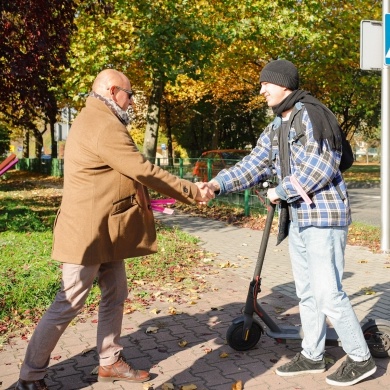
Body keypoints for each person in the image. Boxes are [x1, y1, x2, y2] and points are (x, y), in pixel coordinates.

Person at [15, 69, 215, 390]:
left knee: (116, 292)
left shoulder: (97, 118)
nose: (133, 101)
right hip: (87, 234)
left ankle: (109, 362)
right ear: (112, 91)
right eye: (129, 94)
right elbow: (143, 170)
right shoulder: (104, 125)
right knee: (69, 301)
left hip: (106, 230)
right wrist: (193, 191)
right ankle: (29, 376)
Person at [206, 59, 377, 387]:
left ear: (283, 83)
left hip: (324, 218)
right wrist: (217, 185)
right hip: (298, 217)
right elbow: (254, 163)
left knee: (329, 293)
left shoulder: (311, 115)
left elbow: (322, 166)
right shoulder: (276, 126)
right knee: (308, 292)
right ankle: (313, 354)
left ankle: (360, 357)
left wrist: (280, 191)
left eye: (265, 83)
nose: (261, 90)